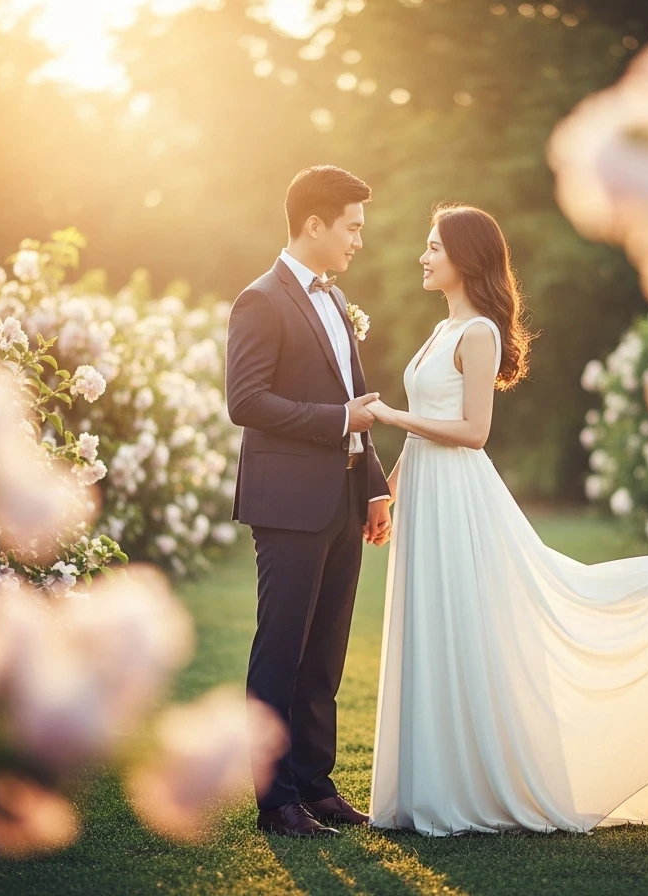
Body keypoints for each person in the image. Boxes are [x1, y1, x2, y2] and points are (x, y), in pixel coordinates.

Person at [366, 204, 648, 835]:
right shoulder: (441, 330)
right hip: (427, 493)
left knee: (484, 618)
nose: (423, 256)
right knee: (433, 623)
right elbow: (428, 427)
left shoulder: (477, 334)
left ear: (465, 258)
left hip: (461, 497)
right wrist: (388, 491)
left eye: (433, 246)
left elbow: (472, 432)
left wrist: (389, 417)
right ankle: (431, 783)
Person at [225, 165, 392, 837]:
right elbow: (246, 401)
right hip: (289, 504)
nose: (358, 241)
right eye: (351, 228)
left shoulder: (334, 298)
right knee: (282, 650)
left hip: (343, 503)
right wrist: (334, 421)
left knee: (324, 654)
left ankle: (317, 786)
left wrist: (375, 487)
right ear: (314, 224)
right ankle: (275, 799)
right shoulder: (260, 300)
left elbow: (358, 400)